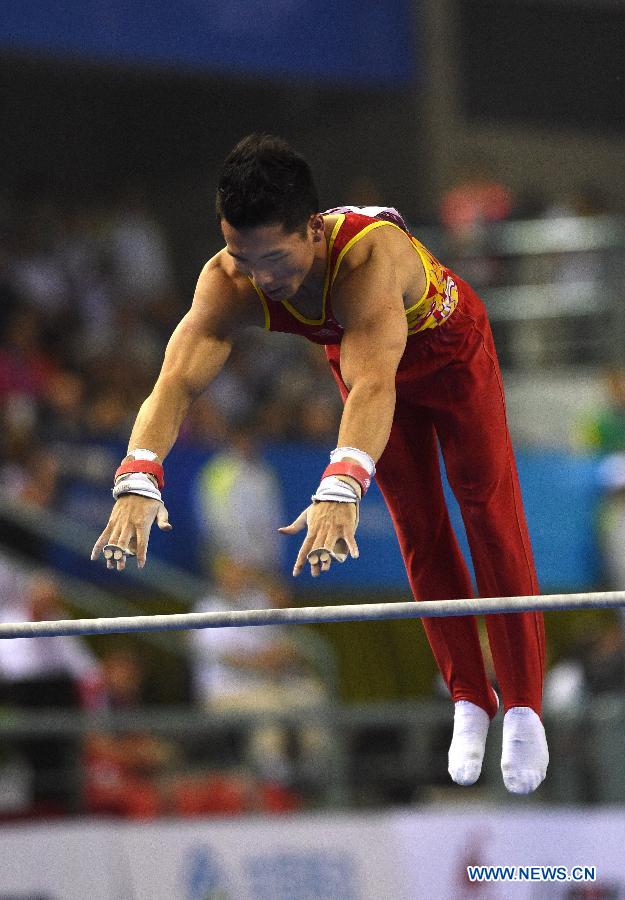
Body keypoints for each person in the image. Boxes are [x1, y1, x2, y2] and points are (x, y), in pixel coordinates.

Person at [92, 134, 548, 794]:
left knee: (485, 510)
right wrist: (139, 473)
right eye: (243, 256)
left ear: (311, 229)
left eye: (274, 259)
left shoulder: (365, 259)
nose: (261, 278)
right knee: (418, 525)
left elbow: (375, 384)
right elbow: (174, 383)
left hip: (450, 358)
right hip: (365, 372)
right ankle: (470, 699)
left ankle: (525, 704)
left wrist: (341, 485)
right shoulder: (228, 280)